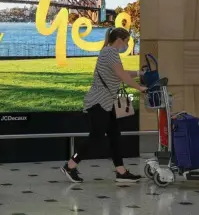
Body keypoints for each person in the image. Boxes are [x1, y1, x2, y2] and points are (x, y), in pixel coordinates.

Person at [60, 28, 147, 183]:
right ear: (120, 39)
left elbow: (119, 72)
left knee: (114, 136)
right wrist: (140, 88)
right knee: (96, 136)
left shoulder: (108, 52)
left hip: (106, 103)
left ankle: (121, 171)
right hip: (99, 102)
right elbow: (121, 75)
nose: (127, 44)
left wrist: (139, 74)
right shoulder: (110, 52)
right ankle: (70, 165)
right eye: (127, 41)